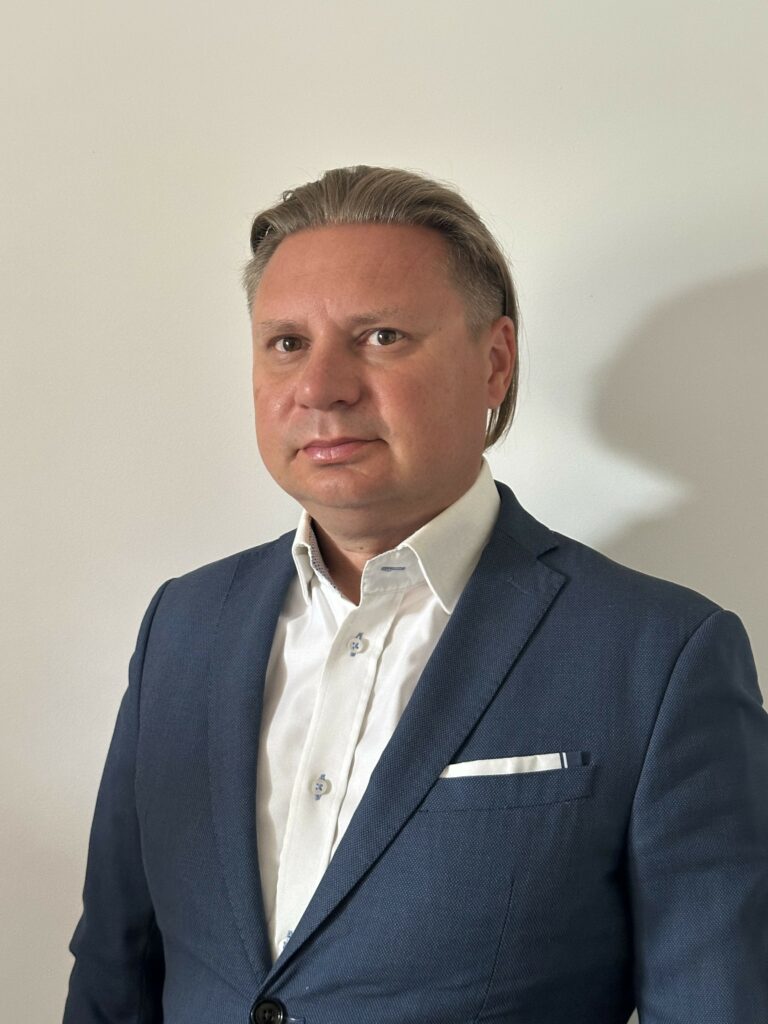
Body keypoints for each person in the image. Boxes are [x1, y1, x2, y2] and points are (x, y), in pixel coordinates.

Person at [63, 166, 768, 1024]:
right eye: (286, 343)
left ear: (494, 363)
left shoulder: (662, 656)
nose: (321, 388)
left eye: (382, 336)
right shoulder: (183, 625)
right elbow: (113, 971)